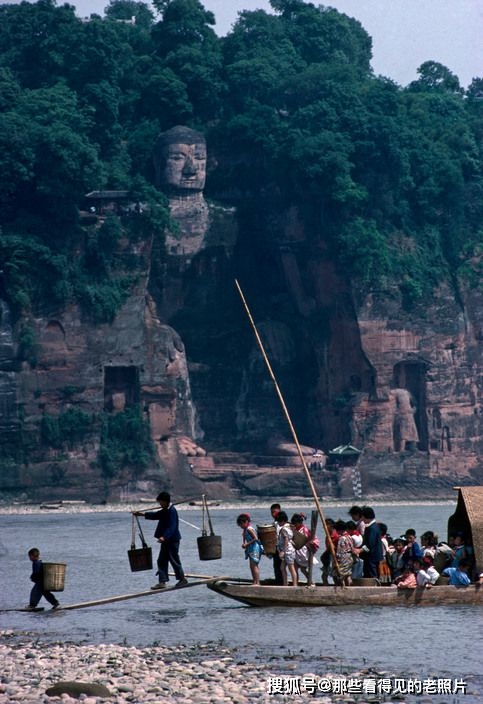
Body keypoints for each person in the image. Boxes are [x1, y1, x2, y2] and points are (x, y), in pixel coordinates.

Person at [133, 492, 187, 589]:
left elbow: (172, 527)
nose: (160, 504)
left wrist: (164, 537)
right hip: (166, 541)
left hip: (172, 540)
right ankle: (162, 582)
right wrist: (141, 514)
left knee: (174, 560)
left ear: (166, 501)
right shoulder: (165, 510)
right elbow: (155, 515)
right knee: (161, 560)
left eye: (161, 502)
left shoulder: (171, 511)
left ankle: (182, 579)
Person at [291, 513, 318, 586]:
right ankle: (295, 584)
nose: (295, 525)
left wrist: (311, 545)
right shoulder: (294, 529)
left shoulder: (305, 530)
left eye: (296, 523)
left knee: (303, 569)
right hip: (296, 551)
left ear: (300, 523)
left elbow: (314, 539)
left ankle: (311, 582)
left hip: (304, 552)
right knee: (295, 568)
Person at [236, 513, 262, 585]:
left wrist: (247, 544)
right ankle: (255, 581)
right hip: (251, 548)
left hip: (254, 548)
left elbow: (255, 538)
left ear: (246, 522)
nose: (241, 526)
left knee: (254, 565)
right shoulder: (246, 529)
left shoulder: (249, 529)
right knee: (251, 566)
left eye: (241, 524)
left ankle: (257, 582)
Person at [276, 511, 298, 586]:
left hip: (288, 551)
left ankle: (294, 585)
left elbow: (286, 539)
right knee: (282, 568)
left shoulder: (284, 529)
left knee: (291, 568)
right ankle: (285, 584)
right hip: (288, 550)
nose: (278, 523)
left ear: (282, 521)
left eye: (279, 521)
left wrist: (283, 551)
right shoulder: (289, 526)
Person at [360, 506, 383, 578]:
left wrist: (360, 550)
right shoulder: (374, 526)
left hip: (372, 557)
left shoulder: (372, 528)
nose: (362, 519)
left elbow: (370, 545)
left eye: (362, 517)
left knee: (372, 576)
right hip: (374, 556)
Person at [333, 520, 354, 586]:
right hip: (350, 557)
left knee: (339, 574)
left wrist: (337, 560)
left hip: (344, 558)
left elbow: (340, 551)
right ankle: (349, 587)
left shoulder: (342, 538)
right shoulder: (349, 536)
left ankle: (343, 587)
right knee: (348, 574)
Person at [270, 503, 284, 585]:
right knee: (276, 566)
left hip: (283, 548)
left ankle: (282, 583)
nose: (273, 514)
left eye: (275, 512)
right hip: (276, 548)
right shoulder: (274, 523)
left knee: (282, 566)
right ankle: (279, 581)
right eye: (272, 512)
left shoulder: (282, 522)